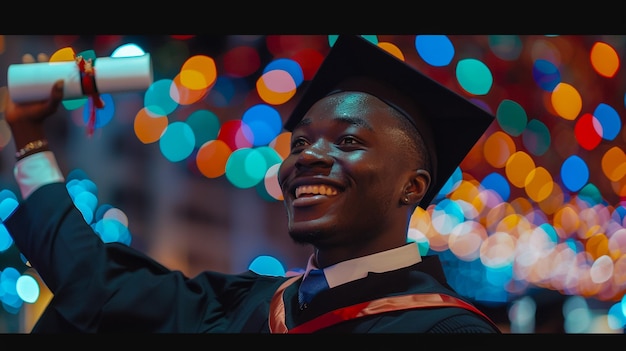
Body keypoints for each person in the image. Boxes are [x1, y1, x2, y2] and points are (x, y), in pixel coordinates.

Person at [2, 35, 502, 333]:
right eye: (300, 144)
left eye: (347, 143)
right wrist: (28, 136)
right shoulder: (250, 306)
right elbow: (95, 282)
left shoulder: (444, 327)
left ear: (412, 188)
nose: (307, 159)